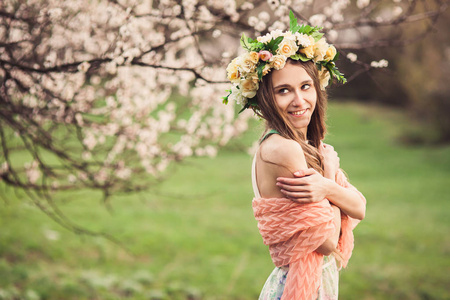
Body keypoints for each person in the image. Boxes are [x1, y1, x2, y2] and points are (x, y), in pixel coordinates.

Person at [223, 11, 366, 300]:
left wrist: (327, 187)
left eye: (305, 86)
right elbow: (326, 242)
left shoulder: (303, 144)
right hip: (300, 287)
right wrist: (328, 179)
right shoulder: (283, 149)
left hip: (315, 282)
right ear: (265, 98)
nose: (299, 101)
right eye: (283, 91)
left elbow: (360, 207)